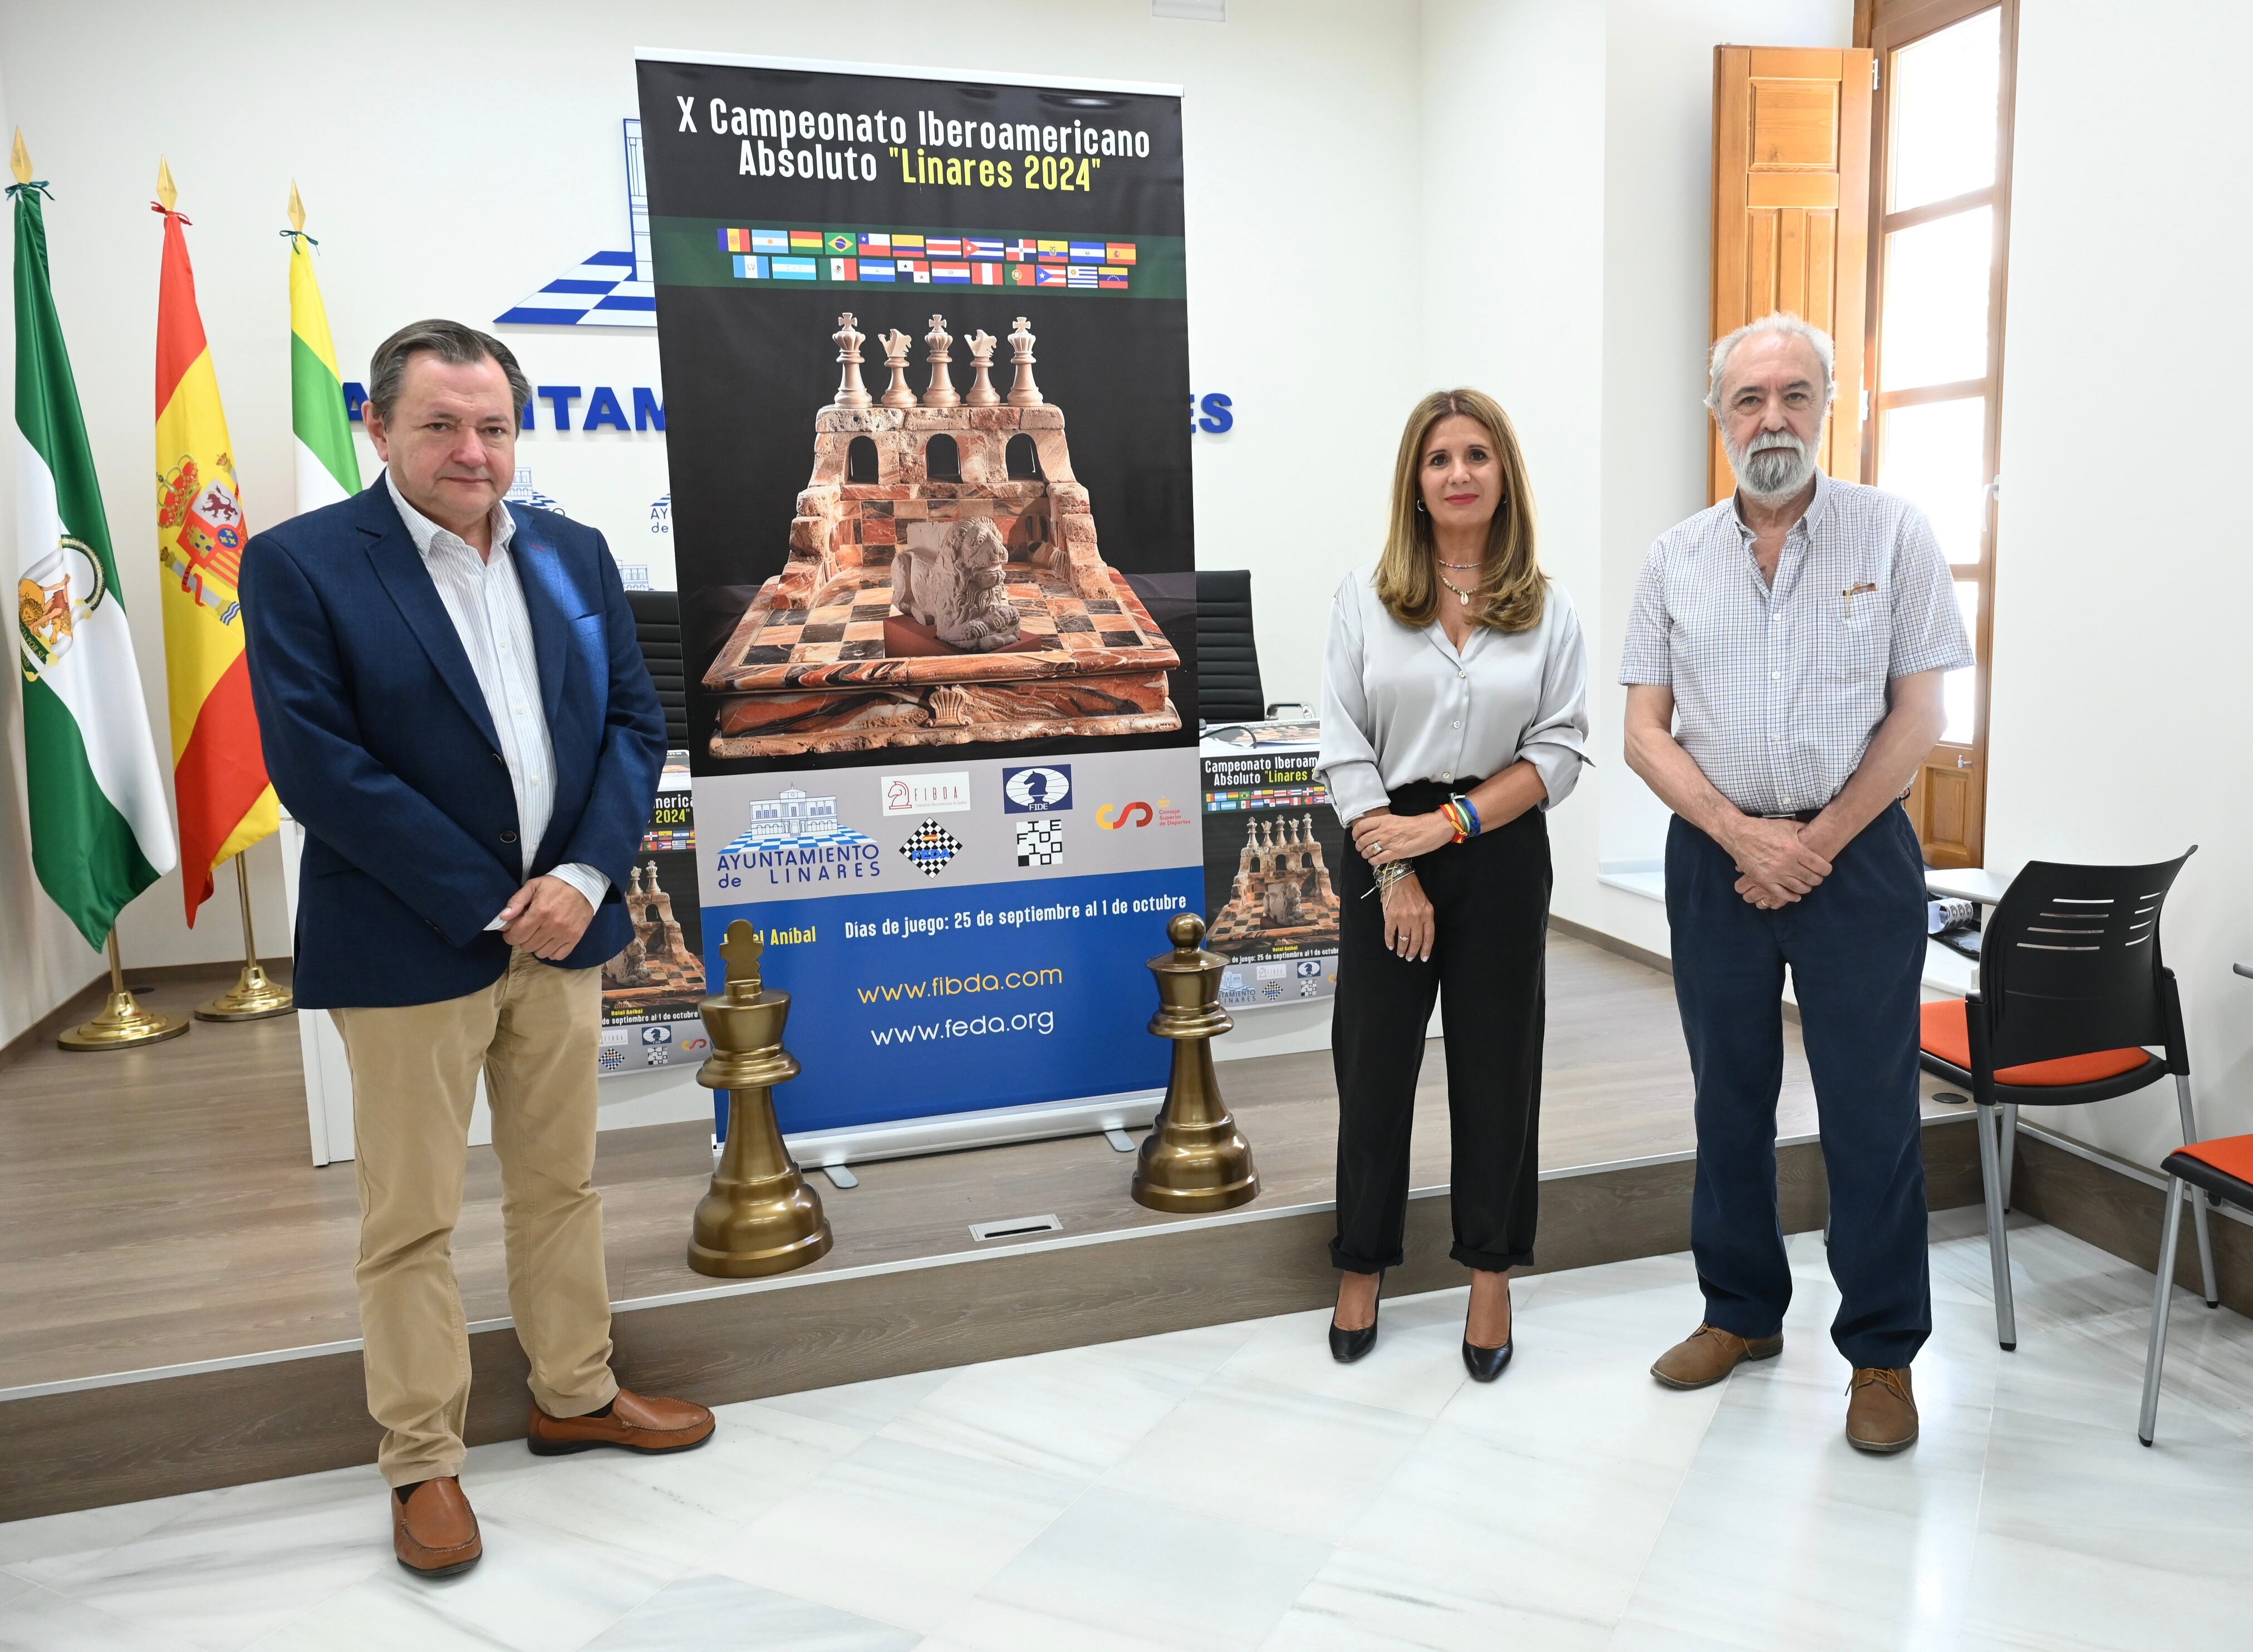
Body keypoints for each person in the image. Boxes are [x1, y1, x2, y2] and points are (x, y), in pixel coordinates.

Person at [242, 320, 711, 1577]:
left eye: (494, 425)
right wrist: (501, 898)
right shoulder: (301, 564)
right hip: (408, 939)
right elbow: (318, 765)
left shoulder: (570, 551)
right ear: (380, 427)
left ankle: (573, 1388)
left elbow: (629, 718)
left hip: (565, 933)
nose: (472, 449)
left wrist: (581, 875)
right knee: (413, 1217)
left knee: (562, 1184)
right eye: (442, 424)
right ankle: (422, 1459)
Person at [1620, 311, 1973, 1453]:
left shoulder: (1893, 534)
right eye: (1747, 398)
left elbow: (1922, 714)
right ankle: (1737, 1311)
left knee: (1870, 1107)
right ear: (1715, 416)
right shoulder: (1672, 555)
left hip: (1856, 854)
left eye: (1792, 394)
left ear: (1831, 405)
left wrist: (1811, 839)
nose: (1769, 417)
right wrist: (1740, 834)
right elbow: (1642, 730)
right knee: (1727, 1093)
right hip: (1715, 857)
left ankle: (1879, 1353)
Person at [1317, 388, 1589, 1380]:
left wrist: (1455, 823)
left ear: (1504, 474)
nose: (1460, 473)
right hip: (1386, 842)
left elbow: (1557, 748)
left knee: (1499, 1070)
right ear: (1416, 483)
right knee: (1376, 1067)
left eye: (1479, 455)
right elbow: (1342, 744)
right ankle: (1361, 1265)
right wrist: (1400, 863)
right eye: (1440, 459)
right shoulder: (1364, 596)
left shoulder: (1547, 608)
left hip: (1502, 847)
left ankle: (1490, 1272)